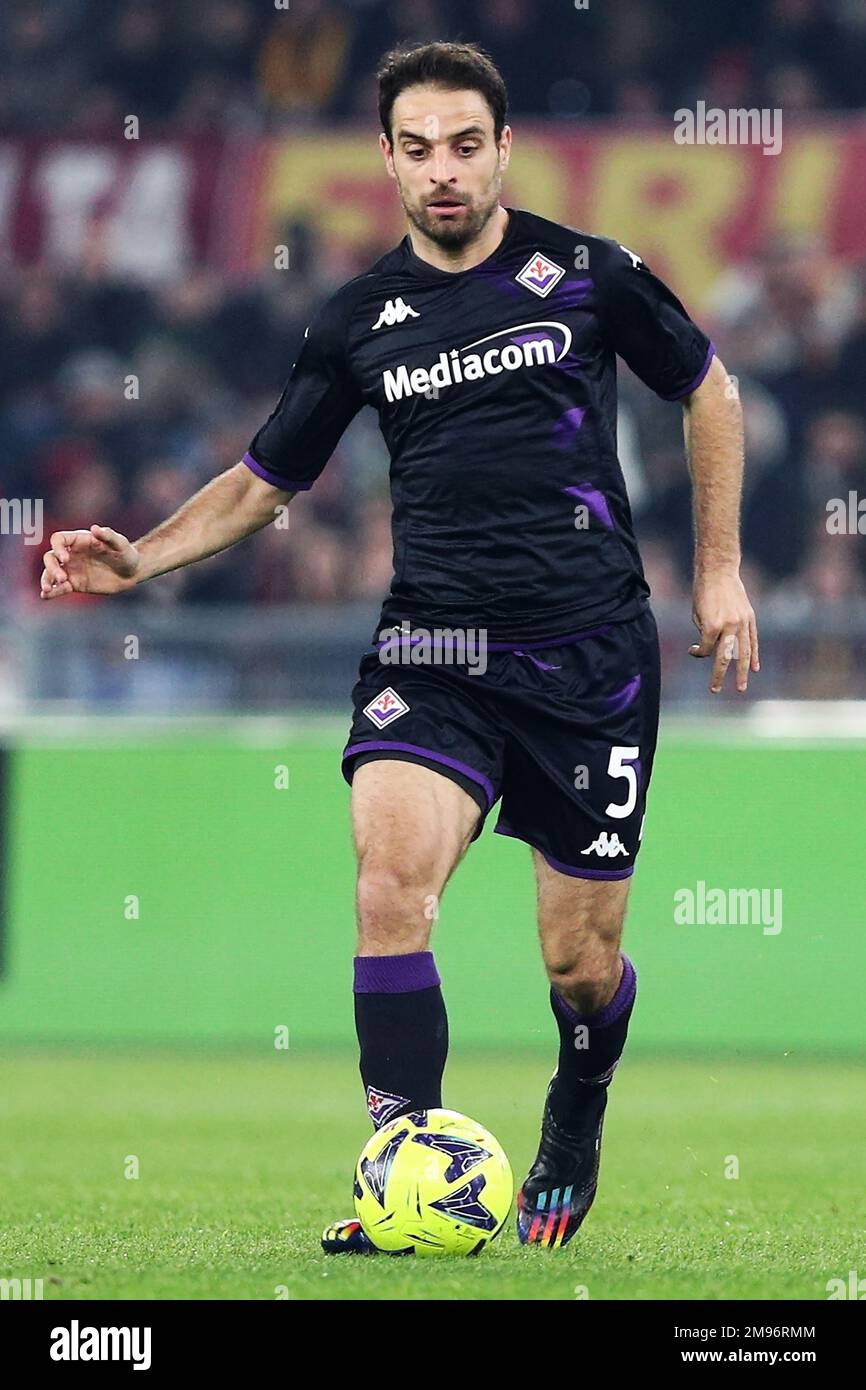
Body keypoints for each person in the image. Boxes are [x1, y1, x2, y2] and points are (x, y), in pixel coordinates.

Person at [39, 40, 759, 1252]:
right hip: (430, 650)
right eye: (417, 148)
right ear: (383, 159)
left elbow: (710, 388)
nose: (442, 171)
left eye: (464, 146)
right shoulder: (356, 319)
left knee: (580, 967)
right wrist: (140, 559)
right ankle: (398, 1171)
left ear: (502, 150)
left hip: (589, 659)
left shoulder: (586, 275)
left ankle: (575, 1106)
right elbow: (265, 481)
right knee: (389, 882)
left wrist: (721, 570)